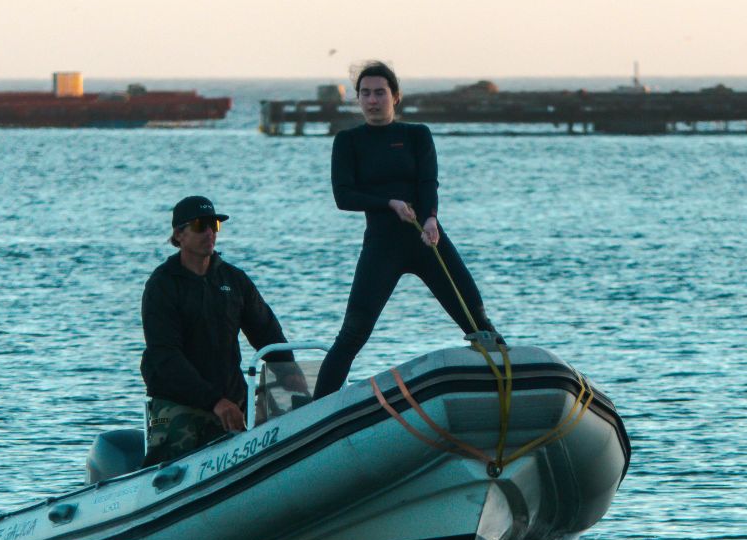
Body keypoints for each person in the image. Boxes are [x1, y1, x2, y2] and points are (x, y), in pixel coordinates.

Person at [313, 61, 501, 399]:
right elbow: (344, 197)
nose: (373, 100)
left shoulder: (416, 135)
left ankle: (509, 389)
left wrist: (430, 218)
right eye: (365, 93)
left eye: (380, 93)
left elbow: (429, 181)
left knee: (477, 320)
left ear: (395, 96)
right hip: (382, 246)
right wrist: (389, 203)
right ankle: (315, 412)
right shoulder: (348, 141)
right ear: (357, 99)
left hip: (427, 239)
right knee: (353, 333)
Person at [140, 195, 304, 465]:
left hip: (231, 401)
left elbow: (267, 333)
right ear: (179, 234)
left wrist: (290, 372)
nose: (209, 233)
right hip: (180, 401)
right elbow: (165, 357)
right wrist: (214, 401)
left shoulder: (233, 280)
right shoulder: (162, 285)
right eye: (200, 226)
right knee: (172, 464)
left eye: (214, 225)